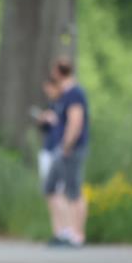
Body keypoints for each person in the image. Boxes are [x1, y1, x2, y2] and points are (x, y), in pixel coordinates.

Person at [45, 58, 90, 247]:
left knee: (73, 190)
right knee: (52, 188)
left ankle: (77, 235)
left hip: (71, 149)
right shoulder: (64, 95)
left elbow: (75, 121)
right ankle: (64, 232)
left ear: (59, 72)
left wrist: (66, 145)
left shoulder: (74, 93)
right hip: (61, 149)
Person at [34, 77, 62, 194]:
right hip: (48, 148)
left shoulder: (63, 104)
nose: (48, 92)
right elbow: (45, 129)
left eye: (49, 89)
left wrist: (54, 118)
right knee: (47, 185)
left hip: (59, 148)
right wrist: (42, 120)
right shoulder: (50, 104)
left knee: (60, 186)